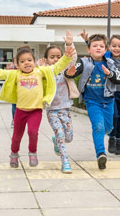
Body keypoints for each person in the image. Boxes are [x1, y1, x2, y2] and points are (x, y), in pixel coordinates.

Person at [0, 39, 75, 168]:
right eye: (22, 61)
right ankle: (14, 154)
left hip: (35, 111)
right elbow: (1, 73)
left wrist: (66, 56)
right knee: (17, 136)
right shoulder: (16, 74)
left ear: (34, 61)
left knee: (33, 132)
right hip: (21, 111)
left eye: (29, 60)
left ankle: (33, 153)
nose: (26, 63)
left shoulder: (40, 72)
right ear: (17, 65)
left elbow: (57, 67)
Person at [65, 34, 120, 170]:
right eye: (95, 46)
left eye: (101, 46)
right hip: (92, 102)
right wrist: (69, 73)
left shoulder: (110, 63)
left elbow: (118, 79)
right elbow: (70, 73)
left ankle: (105, 139)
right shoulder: (84, 62)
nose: (98, 48)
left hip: (108, 101)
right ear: (89, 49)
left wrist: (109, 74)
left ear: (105, 49)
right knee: (98, 127)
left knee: (108, 128)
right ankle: (101, 154)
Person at [42, 31, 79, 173]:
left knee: (69, 137)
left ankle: (55, 140)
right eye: (52, 57)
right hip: (52, 111)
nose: (56, 59)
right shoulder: (45, 72)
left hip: (65, 109)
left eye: (59, 56)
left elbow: (72, 58)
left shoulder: (64, 69)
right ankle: (65, 162)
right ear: (46, 59)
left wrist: (69, 44)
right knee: (62, 136)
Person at [80, 30, 120, 155]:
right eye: (113, 45)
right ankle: (109, 142)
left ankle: (117, 139)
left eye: (119, 46)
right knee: (112, 119)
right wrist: (87, 41)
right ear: (109, 47)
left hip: (116, 92)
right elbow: (96, 49)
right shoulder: (107, 57)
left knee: (115, 119)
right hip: (109, 93)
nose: (116, 48)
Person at [6, 56, 17, 129]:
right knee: (14, 108)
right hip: (14, 92)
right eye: (15, 62)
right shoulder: (12, 70)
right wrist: (7, 70)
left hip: (24, 93)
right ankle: (14, 120)